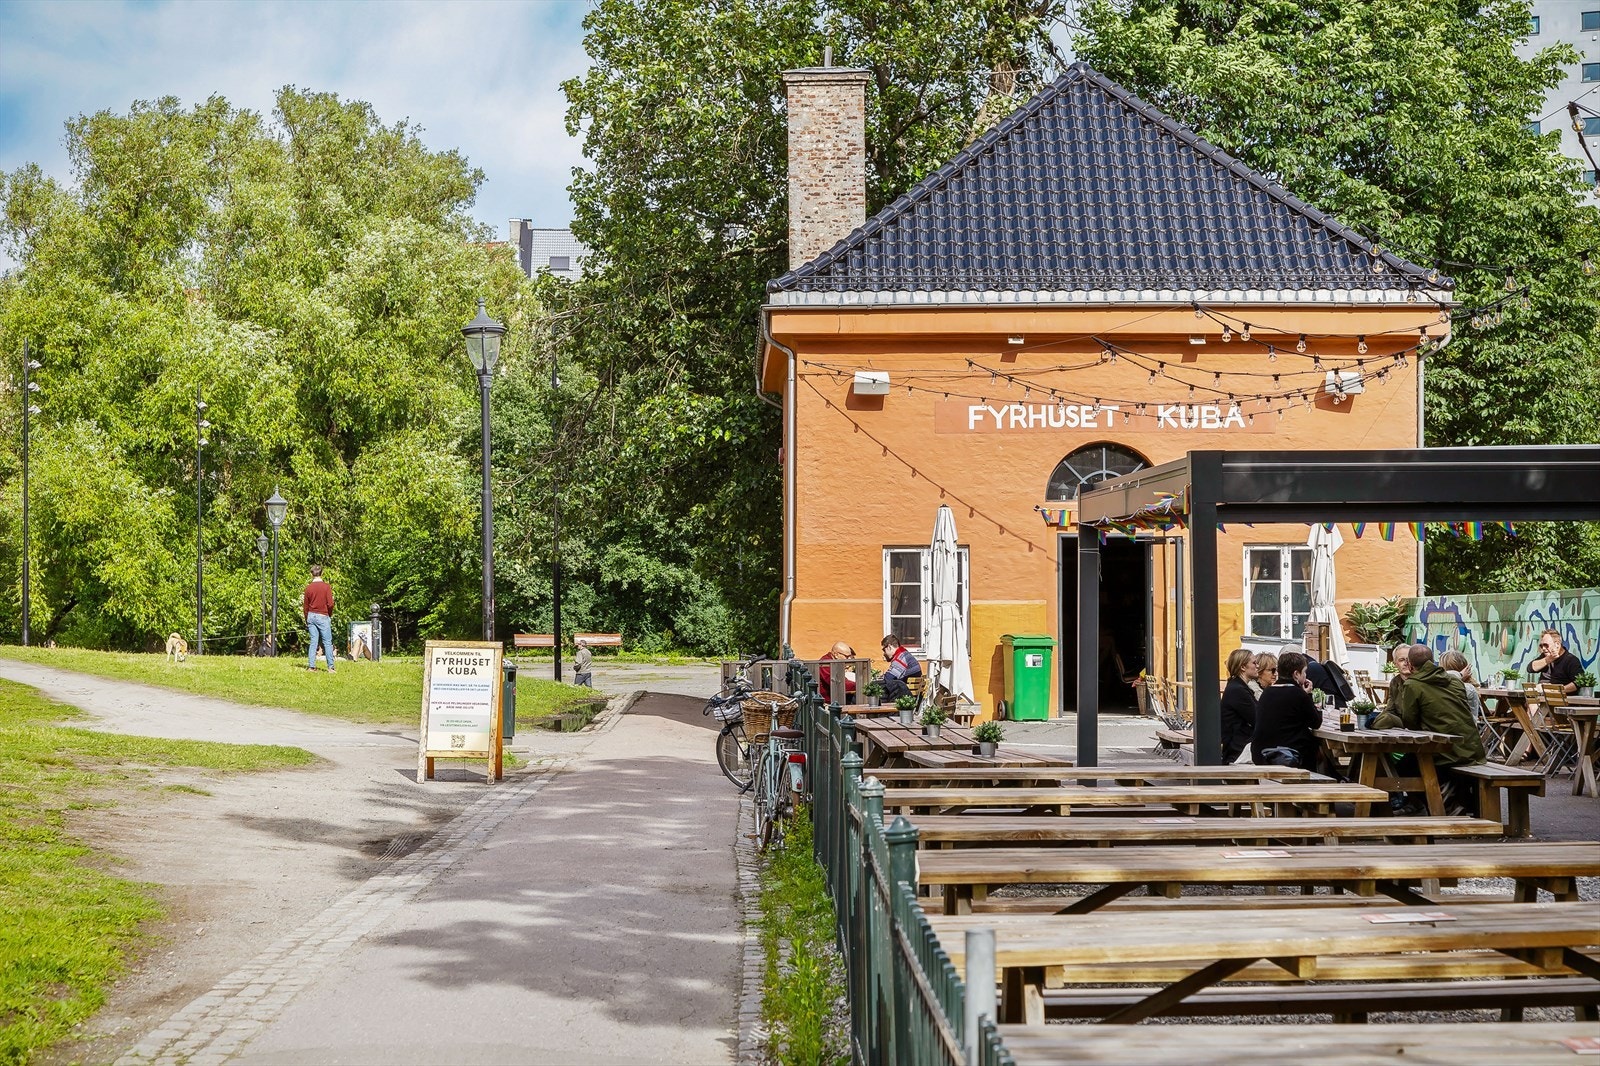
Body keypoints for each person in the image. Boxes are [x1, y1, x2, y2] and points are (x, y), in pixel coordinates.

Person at [1397, 644, 1486, 814]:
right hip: (1473, 750)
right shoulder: (1454, 681)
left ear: (1409, 664)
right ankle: (1452, 801)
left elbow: (1409, 721)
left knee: (1404, 765)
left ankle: (1443, 805)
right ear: (1434, 661)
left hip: (1445, 753)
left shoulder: (1412, 685)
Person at [1252, 650, 1320, 770]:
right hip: (1288, 755)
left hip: (1261, 753)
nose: (1305, 676)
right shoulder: (1298, 694)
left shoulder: (1267, 692)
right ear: (1296, 674)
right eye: (1304, 672)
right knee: (1314, 747)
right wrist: (1310, 698)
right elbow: (1316, 722)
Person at [1220, 648, 1260, 764]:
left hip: (1238, 747)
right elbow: (1258, 719)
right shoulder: (1238, 690)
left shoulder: (1237, 686)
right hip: (1238, 752)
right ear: (1243, 667)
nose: (1257, 666)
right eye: (1254, 663)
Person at [302, 564, 335, 673]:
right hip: (322, 615)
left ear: (311, 574)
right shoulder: (326, 587)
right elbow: (330, 604)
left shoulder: (308, 588)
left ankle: (311, 666)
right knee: (327, 642)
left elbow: (305, 606)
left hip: (311, 615)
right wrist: (328, 614)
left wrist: (307, 618)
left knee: (313, 641)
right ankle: (330, 667)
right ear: (322, 573)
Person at [1528, 628, 1581, 695]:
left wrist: (1555, 690)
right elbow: (1530, 668)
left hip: (1561, 699)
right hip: (1542, 697)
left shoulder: (1571, 660)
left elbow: (1578, 683)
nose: (1543, 648)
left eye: (1546, 645)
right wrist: (1548, 659)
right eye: (1541, 646)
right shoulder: (1545, 656)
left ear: (1557, 645)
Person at [1439, 649, 1482, 721]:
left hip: (1454, 729)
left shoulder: (1467, 688)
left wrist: (1459, 675)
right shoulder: (1468, 687)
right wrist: (1459, 676)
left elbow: (1448, 689)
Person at [879, 634, 922, 701]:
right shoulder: (904, 654)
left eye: (884, 650)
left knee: (878, 687)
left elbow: (889, 678)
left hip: (905, 697)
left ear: (889, 647)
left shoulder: (901, 657)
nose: (884, 654)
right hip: (909, 694)